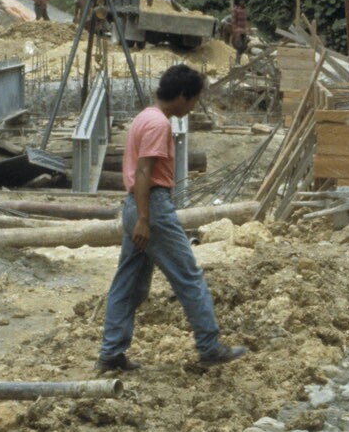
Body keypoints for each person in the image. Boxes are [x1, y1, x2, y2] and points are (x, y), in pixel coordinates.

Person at [96, 64, 247, 375]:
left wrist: (139, 215)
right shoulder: (158, 125)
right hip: (151, 206)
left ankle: (111, 353)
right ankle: (209, 347)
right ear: (181, 96)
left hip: (136, 205)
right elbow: (143, 173)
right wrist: (145, 219)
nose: (193, 107)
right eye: (194, 100)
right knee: (188, 276)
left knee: (128, 283)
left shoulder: (144, 117)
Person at [227, 0, 250, 64]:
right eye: (241, 0)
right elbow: (233, 21)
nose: (242, 2)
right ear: (238, 2)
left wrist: (247, 29)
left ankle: (240, 60)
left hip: (243, 31)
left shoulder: (244, 10)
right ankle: (237, 62)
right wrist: (235, 31)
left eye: (243, 0)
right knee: (239, 46)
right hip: (238, 31)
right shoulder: (235, 10)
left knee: (244, 46)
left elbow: (245, 21)